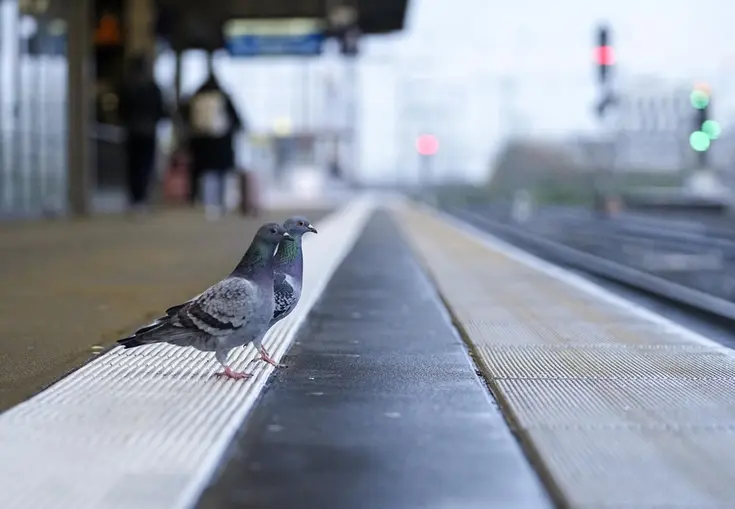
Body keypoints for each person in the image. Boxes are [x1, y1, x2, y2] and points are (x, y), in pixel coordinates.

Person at [180, 60, 244, 220]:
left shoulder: (195, 97)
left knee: (205, 173)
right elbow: (236, 119)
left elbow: (184, 117)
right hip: (221, 140)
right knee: (221, 172)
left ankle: (206, 203)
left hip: (201, 141)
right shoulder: (223, 96)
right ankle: (221, 203)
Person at [118, 54, 167, 215]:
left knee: (132, 166)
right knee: (146, 166)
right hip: (148, 132)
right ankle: (142, 199)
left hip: (131, 132)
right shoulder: (153, 87)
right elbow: (162, 110)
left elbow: (121, 111)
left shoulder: (127, 87)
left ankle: (134, 199)